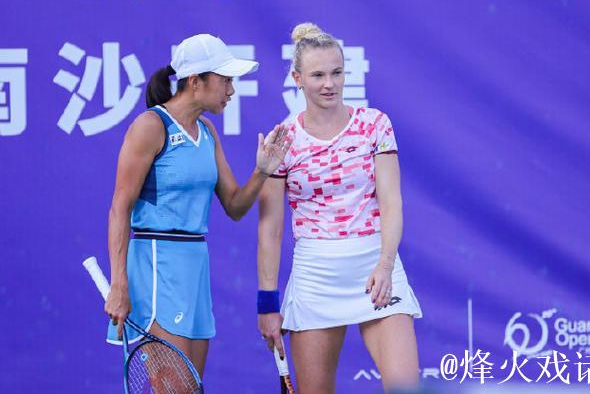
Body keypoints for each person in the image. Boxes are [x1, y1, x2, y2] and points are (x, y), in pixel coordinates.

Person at [104, 33, 290, 379]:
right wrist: (119, 284)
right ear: (195, 81)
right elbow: (120, 208)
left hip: (195, 270)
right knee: (172, 386)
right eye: (225, 80)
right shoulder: (150, 127)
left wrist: (262, 171)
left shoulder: (206, 131)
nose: (231, 90)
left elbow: (234, 206)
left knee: (191, 386)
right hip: (156, 269)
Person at [257, 23, 422, 393]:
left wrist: (385, 265)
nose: (329, 84)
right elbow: (270, 229)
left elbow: (391, 203)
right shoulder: (283, 140)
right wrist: (267, 303)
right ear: (297, 79)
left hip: (376, 268)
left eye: (337, 73)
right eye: (318, 75)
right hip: (316, 276)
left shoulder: (375, 124)